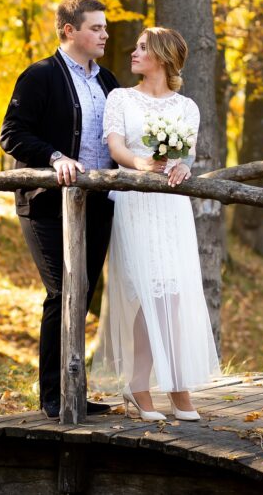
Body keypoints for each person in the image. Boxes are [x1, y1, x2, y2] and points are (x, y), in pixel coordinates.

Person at [0, 0, 120, 419]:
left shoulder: (108, 82)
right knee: (63, 292)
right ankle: (54, 396)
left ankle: (75, 388)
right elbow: (11, 134)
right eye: (96, 28)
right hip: (48, 204)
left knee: (82, 295)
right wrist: (54, 157)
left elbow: (118, 138)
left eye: (105, 28)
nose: (105, 34)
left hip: (99, 204)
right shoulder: (39, 76)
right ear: (70, 31)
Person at [92, 27, 220, 421]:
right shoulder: (121, 98)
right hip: (135, 200)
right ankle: (139, 384)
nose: (133, 52)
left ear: (162, 58)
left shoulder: (186, 107)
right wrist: (142, 164)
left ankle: (177, 384)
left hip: (171, 208)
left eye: (142, 48)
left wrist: (181, 165)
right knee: (149, 293)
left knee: (175, 294)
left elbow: (189, 154)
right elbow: (115, 147)